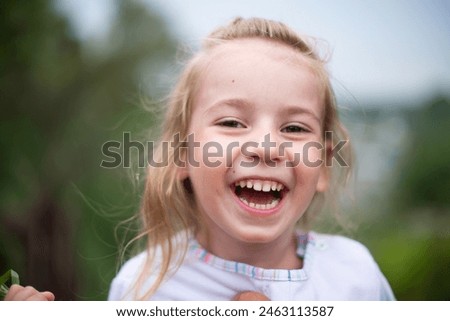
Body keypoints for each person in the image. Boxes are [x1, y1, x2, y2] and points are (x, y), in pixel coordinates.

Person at [5, 17, 395, 301]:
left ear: (324, 165)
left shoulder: (355, 277)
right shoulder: (144, 287)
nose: (266, 146)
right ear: (181, 156)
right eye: (231, 121)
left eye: (294, 129)